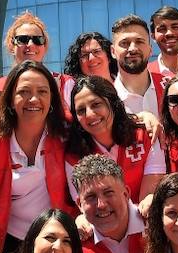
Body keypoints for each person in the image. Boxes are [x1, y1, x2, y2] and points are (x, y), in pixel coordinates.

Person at [0, 61, 76, 253]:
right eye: (23, 91)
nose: (33, 99)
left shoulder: (68, 134)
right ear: (10, 100)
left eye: (42, 91)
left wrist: (144, 118)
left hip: (58, 241)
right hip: (6, 245)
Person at [65, 75, 164, 214]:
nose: (89, 114)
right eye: (81, 110)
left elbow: (149, 198)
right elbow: (88, 207)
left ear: (112, 103)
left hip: (144, 225)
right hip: (102, 228)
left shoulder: (145, 135)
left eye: (96, 104)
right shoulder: (73, 156)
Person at [111, 14, 165, 121]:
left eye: (139, 42)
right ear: (113, 51)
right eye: (124, 43)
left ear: (150, 50)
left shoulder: (171, 89)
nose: (133, 49)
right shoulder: (106, 99)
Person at [150, 5, 178, 75]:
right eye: (162, 29)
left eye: (175, 27)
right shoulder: (146, 74)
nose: (169, 33)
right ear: (153, 36)